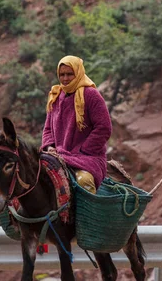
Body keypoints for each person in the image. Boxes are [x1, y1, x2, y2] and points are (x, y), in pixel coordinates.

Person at [41, 55, 112, 194]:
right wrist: (50, 147)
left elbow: (104, 128)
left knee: (83, 181)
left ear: (78, 73)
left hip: (88, 158)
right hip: (58, 155)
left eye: (69, 74)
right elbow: (48, 128)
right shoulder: (56, 96)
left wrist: (83, 150)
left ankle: (89, 215)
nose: (65, 79)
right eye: (62, 75)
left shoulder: (91, 95)